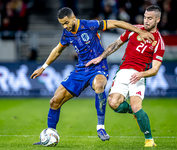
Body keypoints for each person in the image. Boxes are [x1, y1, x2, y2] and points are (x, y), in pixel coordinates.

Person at [30, 7, 154, 144]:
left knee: (99, 85)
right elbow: (57, 50)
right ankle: (50, 134)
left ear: (73, 17)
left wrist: (139, 31)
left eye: (66, 23)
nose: (65, 26)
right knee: (54, 101)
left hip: (98, 67)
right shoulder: (67, 33)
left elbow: (118, 23)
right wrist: (43, 67)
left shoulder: (90, 25)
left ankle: (100, 127)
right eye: (62, 24)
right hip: (81, 69)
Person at [86, 5, 164, 147]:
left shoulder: (159, 42)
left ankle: (149, 139)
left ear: (157, 20)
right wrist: (101, 57)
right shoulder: (134, 30)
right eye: (145, 17)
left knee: (136, 106)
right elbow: (116, 44)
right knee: (113, 103)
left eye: (150, 18)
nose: (146, 21)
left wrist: (141, 74)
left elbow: (155, 69)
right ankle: (134, 113)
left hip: (139, 74)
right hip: (123, 71)